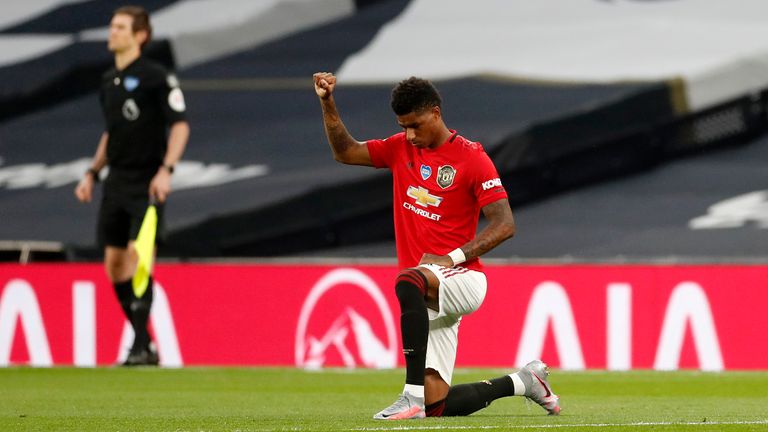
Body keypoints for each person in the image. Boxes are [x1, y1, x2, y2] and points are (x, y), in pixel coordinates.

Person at [314, 72, 560, 419]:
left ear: (435, 113)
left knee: (407, 280)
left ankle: (410, 396)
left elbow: (505, 225)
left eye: (415, 125)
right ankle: (525, 381)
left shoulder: (472, 158)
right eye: (403, 126)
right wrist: (327, 102)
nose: (410, 135)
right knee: (439, 406)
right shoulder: (399, 148)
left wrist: (451, 257)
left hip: (463, 277)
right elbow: (345, 152)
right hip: (429, 292)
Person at [75, 5, 190, 366]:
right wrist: (92, 172)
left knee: (141, 259)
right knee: (115, 266)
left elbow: (181, 125)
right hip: (116, 182)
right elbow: (111, 132)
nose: (113, 32)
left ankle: (140, 346)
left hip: (146, 182)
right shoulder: (108, 80)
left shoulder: (157, 76)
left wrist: (166, 170)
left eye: (120, 27)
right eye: (112, 26)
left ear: (140, 35)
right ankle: (145, 342)